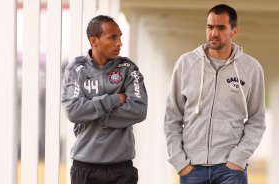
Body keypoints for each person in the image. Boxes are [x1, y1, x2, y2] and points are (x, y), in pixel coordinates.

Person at [164, 4, 265, 184]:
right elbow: (172, 117)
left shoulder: (251, 68)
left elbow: (256, 120)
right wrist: (179, 161)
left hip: (231, 170)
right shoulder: (186, 64)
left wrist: (238, 158)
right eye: (210, 27)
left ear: (234, 31)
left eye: (221, 28)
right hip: (192, 168)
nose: (214, 33)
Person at [61, 15, 148, 184]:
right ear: (94, 41)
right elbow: (73, 111)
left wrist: (94, 114)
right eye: (112, 37)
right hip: (85, 167)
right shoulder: (76, 70)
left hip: (122, 168)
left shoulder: (128, 69)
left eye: (120, 36)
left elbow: (139, 109)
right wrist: (115, 99)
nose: (119, 43)